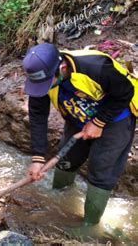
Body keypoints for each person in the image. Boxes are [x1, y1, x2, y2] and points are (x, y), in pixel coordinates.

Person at [22, 43, 136, 227]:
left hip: (116, 118)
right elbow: (37, 116)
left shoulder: (95, 67)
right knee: (66, 160)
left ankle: (89, 226)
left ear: (62, 68)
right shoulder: (41, 79)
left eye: (47, 83)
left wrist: (99, 122)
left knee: (100, 169)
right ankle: (58, 197)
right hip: (78, 115)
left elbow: (125, 92)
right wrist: (38, 157)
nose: (43, 88)